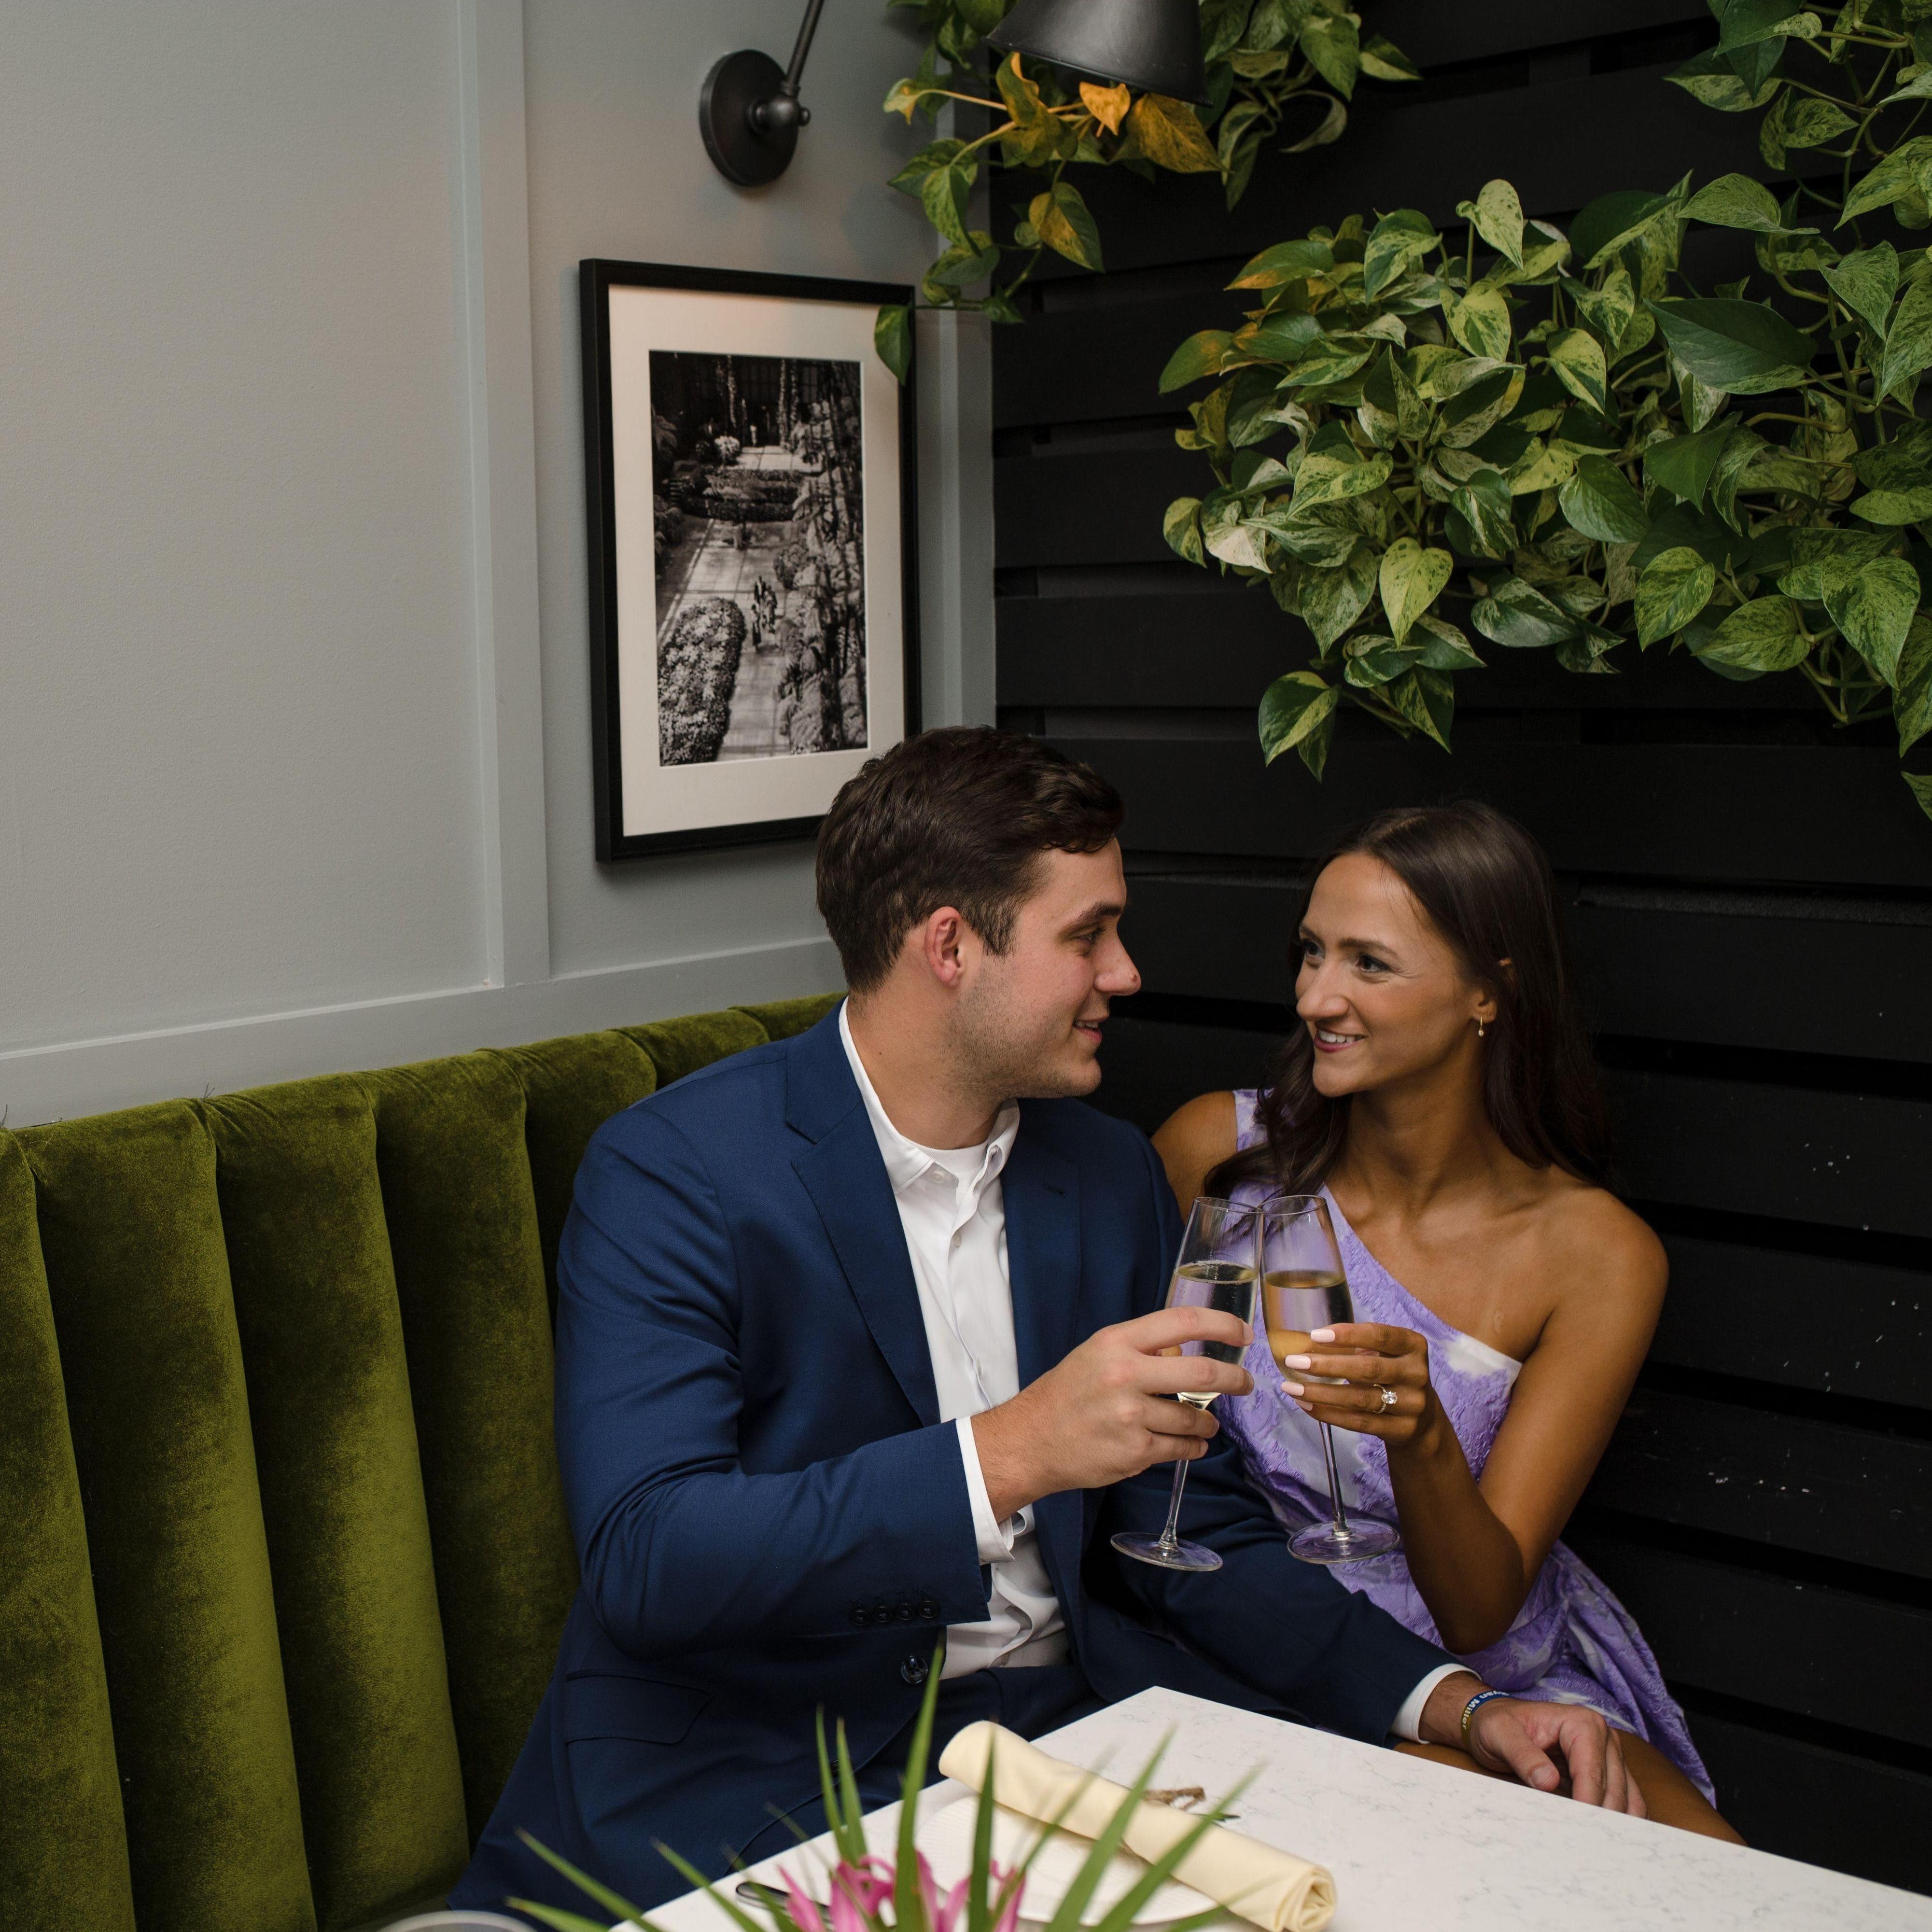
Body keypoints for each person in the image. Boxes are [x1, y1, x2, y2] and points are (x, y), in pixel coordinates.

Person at [450, 733, 1645, 1925]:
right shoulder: (678, 1170)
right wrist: (1015, 1450)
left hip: (1075, 1741)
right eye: (1089, 935)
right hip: (762, 1765)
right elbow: (651, 1557)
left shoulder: (1107, 1172)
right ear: (952, 948)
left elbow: (1194, 1532)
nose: (1125, 972)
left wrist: (1457, 1705)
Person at [1153, 801, 1740, 1842]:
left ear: (1487, 990)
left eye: (1369, 964)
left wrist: (1422, 1435)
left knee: (1727, 1882)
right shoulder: (1219, 1156)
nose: (1316, 996)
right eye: (1312, 951)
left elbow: (1479, 1610)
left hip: (1502, 1673)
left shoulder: (1597, 1255)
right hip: (1264, 1627)